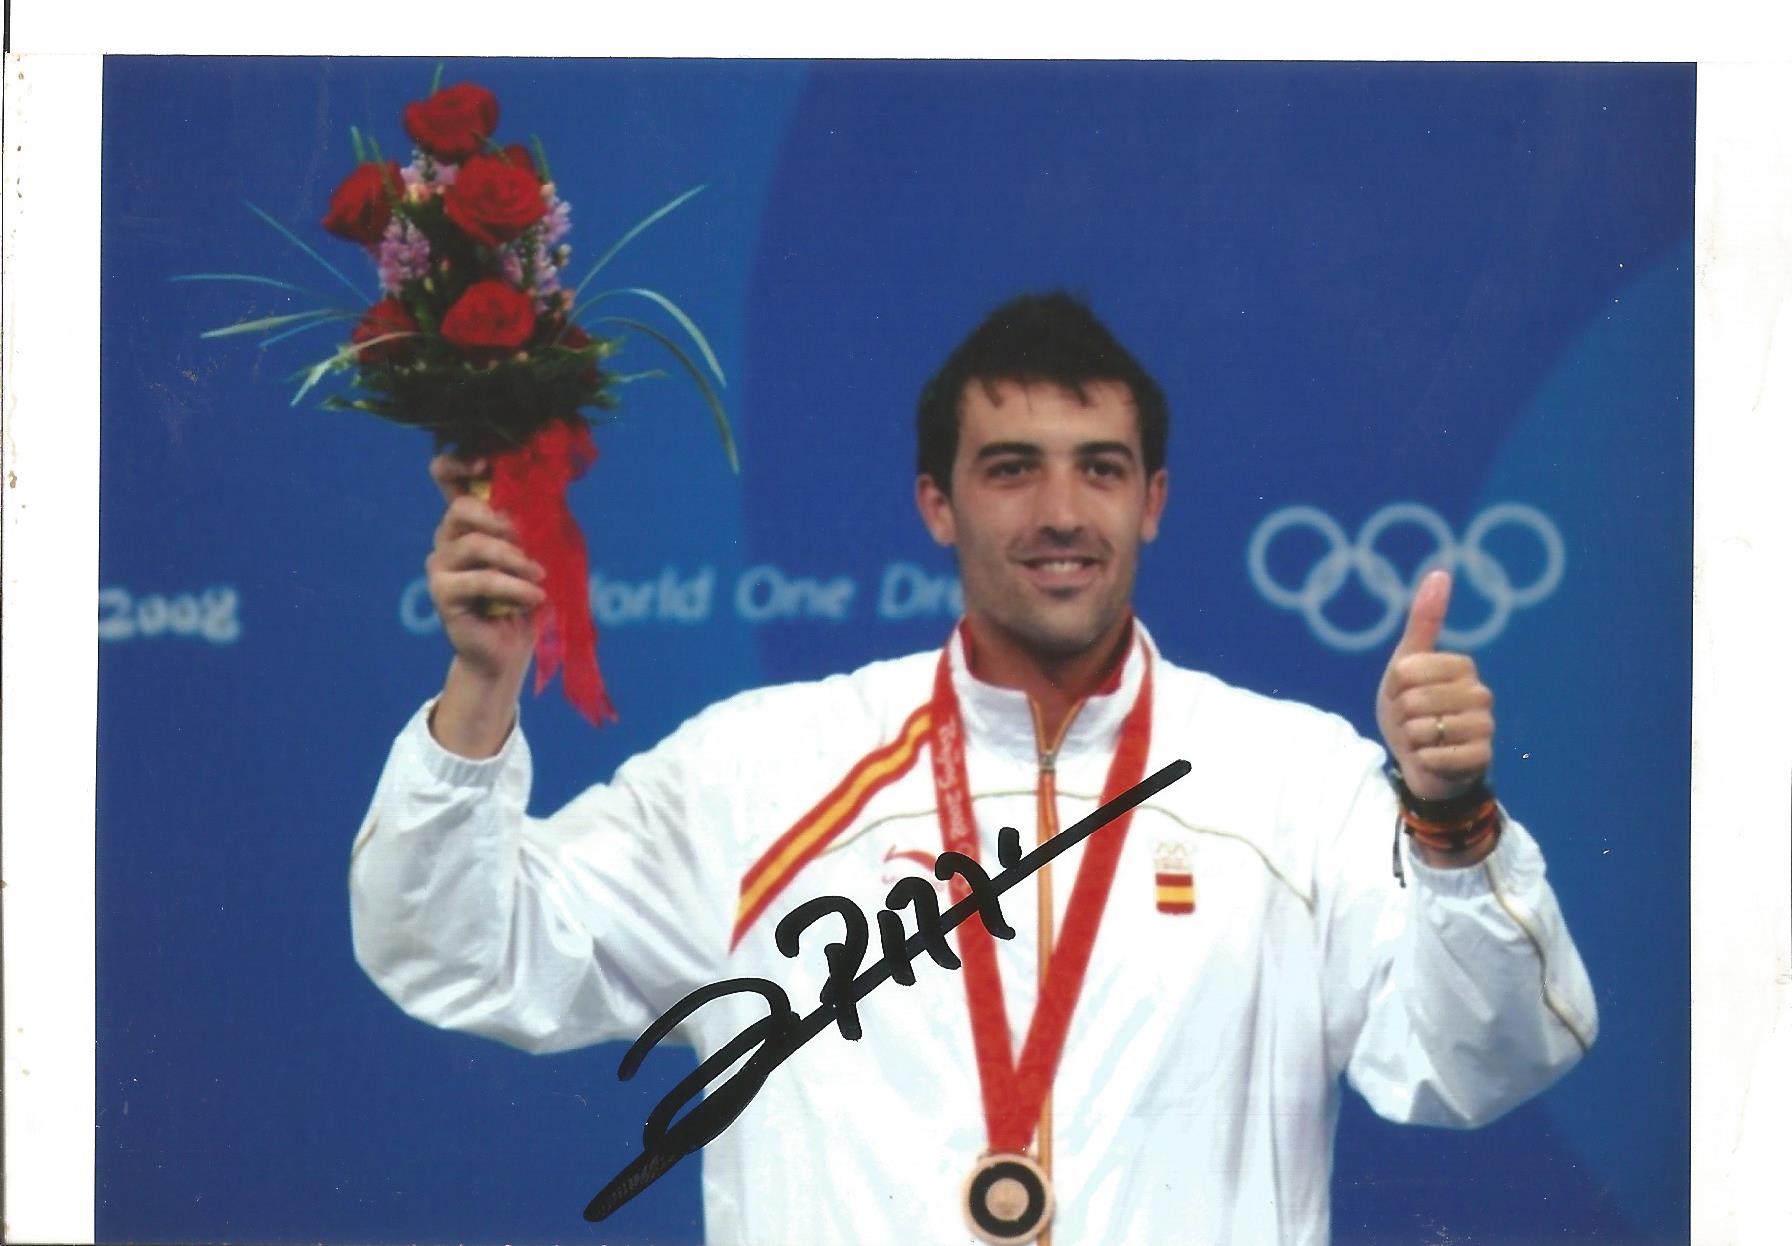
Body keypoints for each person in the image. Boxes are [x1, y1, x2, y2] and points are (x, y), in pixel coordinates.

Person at [349, 291, 1597, 1246]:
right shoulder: (760, 772)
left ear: (1153, 499)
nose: (1061, 510)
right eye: (1011, 468)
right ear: (936, 504)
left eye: (1098, 467)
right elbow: (464, 949)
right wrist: (484, 689)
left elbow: (1480, 1059)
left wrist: (1452, 824)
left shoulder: (1292, 781)